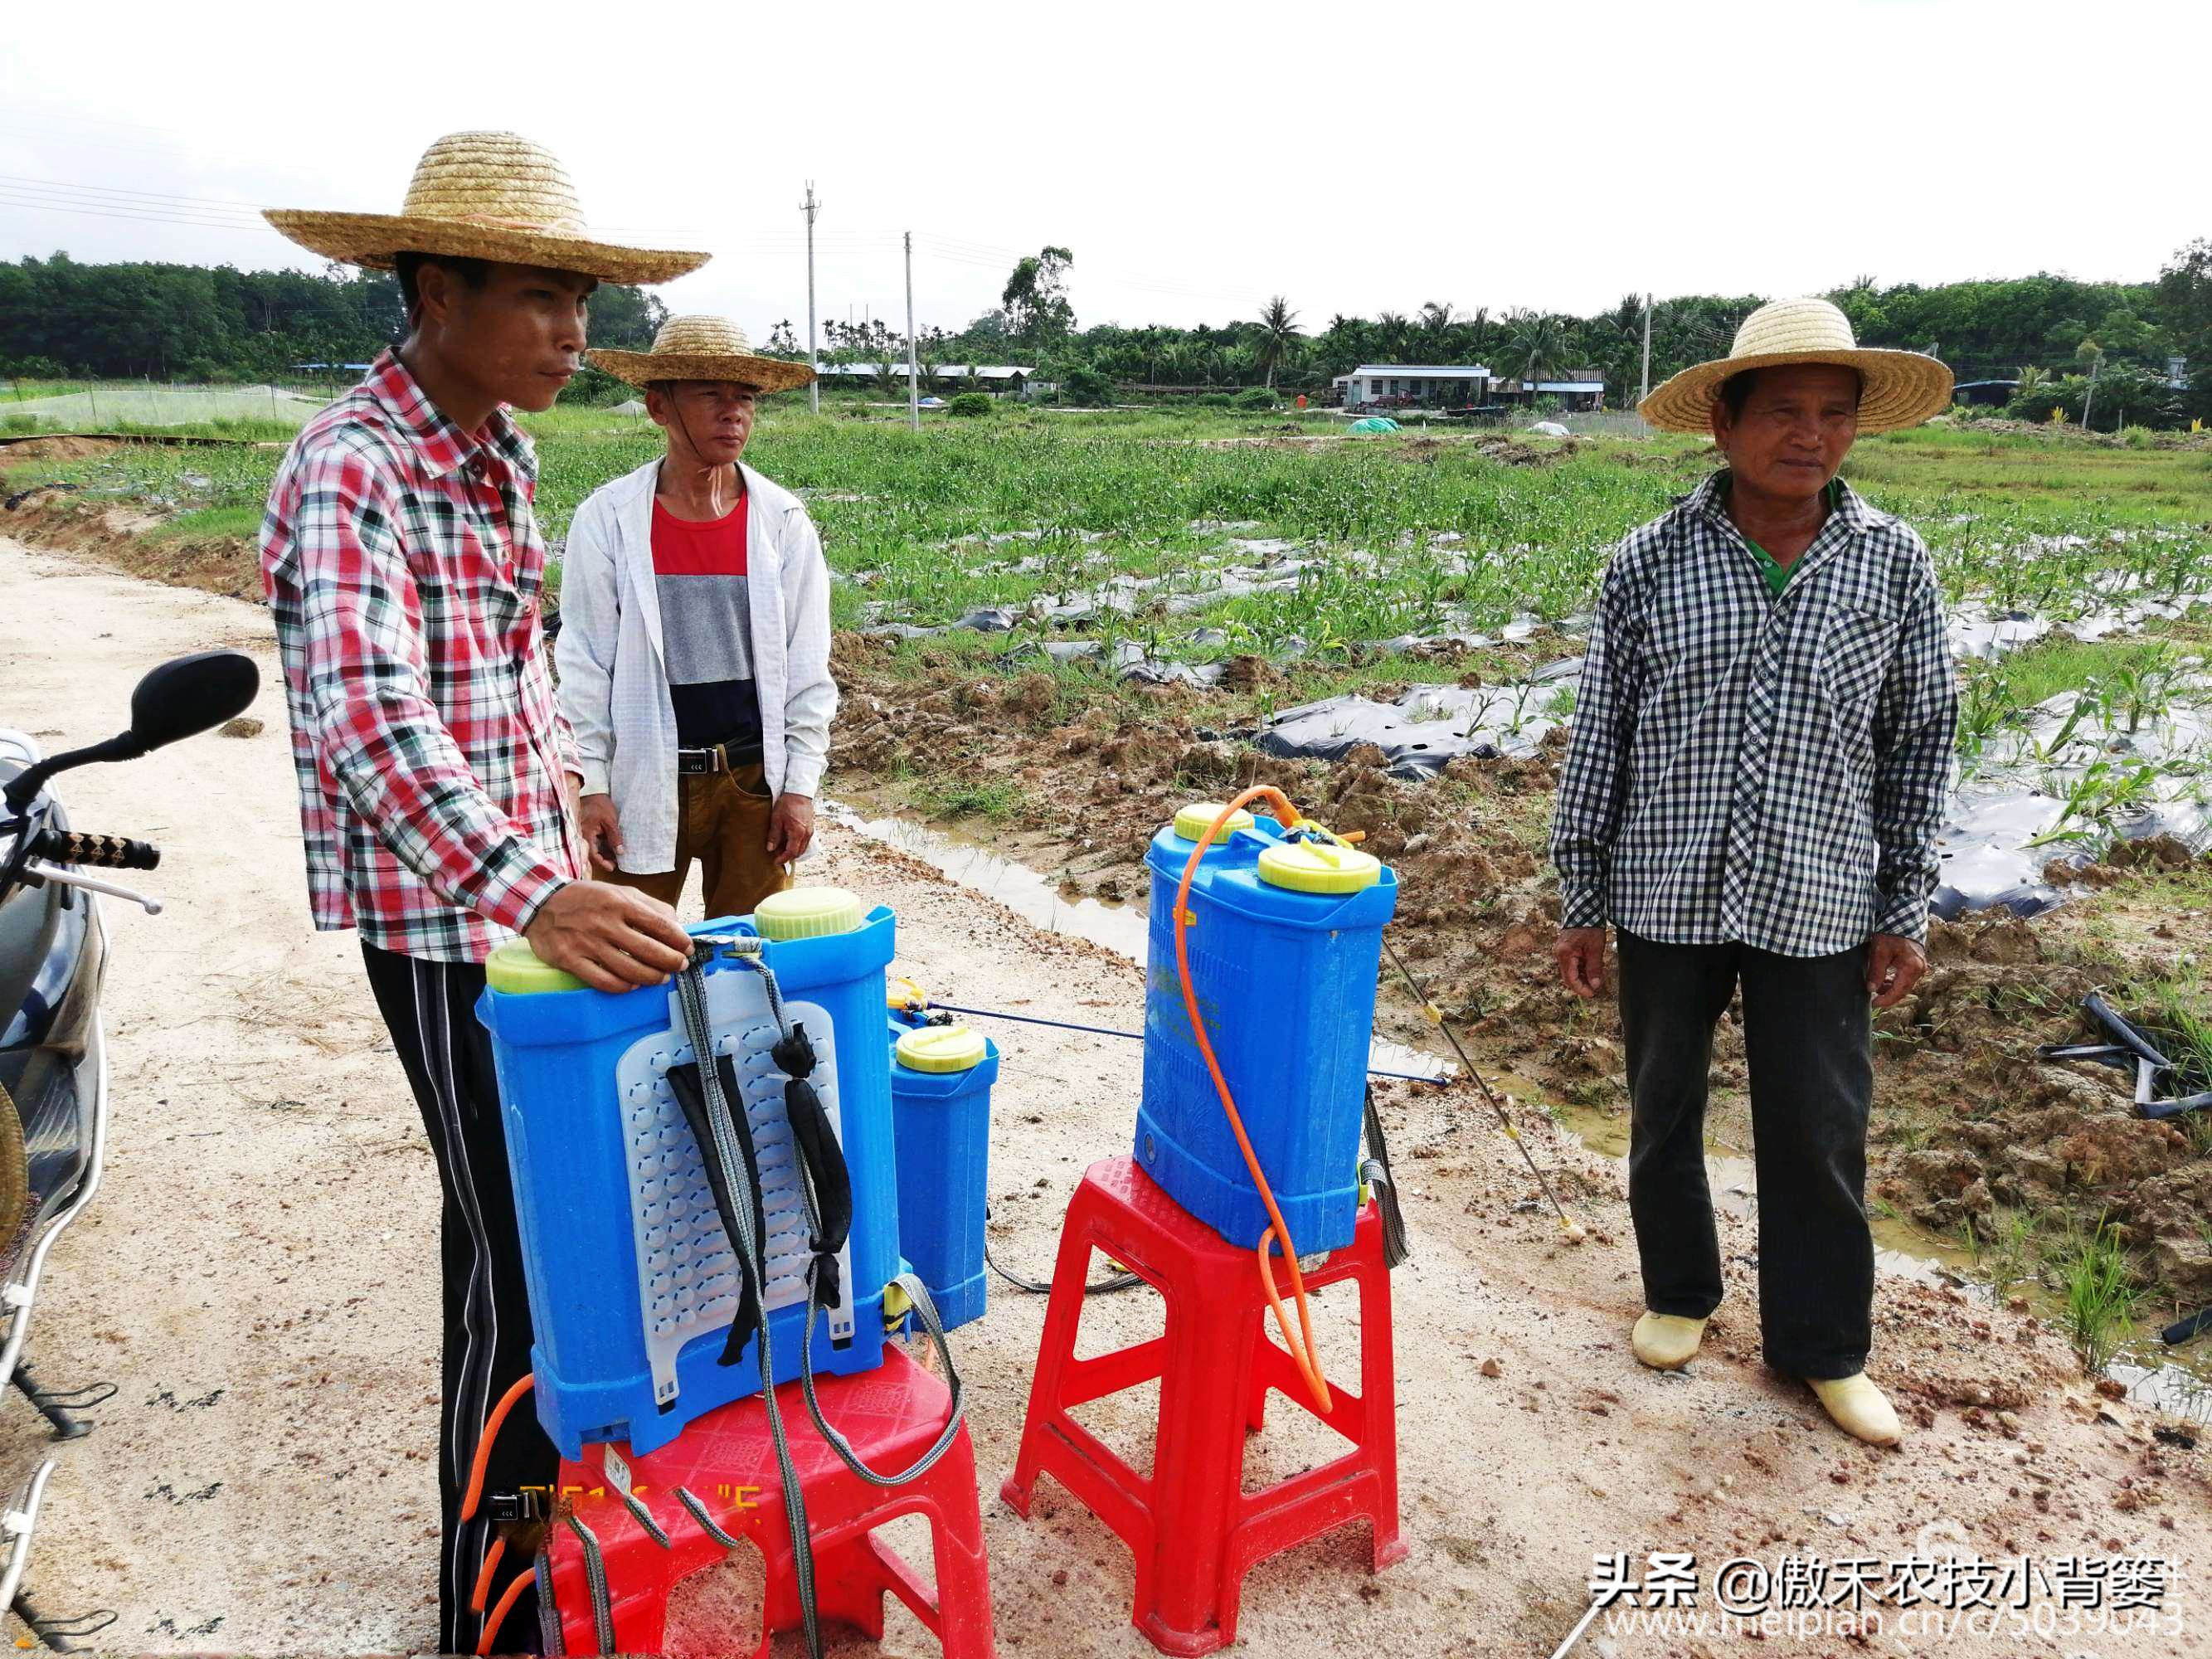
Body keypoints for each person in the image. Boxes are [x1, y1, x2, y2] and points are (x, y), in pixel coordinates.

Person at [258, 131, 708, 1653]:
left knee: (533, 1243)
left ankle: (537, 1550)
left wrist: (570, 840)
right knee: (519, 1283)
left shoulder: (498, 455)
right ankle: (495, 1613)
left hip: (524, 895)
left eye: (583, 295)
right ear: (434, 291)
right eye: (539, 295)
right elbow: (365, 719)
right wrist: (538, 897)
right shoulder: (351, 467)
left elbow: (505, 681)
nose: (575, 330)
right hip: (455, 928)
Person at [1548, 297, 1958, 1447]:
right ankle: (1678, 1293)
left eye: (1834, 414)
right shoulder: (1647, 561)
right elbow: (1603, 734)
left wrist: (1903, 905)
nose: (1809, 435)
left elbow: (1920, 737)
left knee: (1817, 1125)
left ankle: (1822, 1349)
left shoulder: (1889, 563)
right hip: (1663, 888)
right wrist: (1581, 895)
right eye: (1781, 412)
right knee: (1660, 1103)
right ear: (1721, 426)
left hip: (1819, 894)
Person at [555, 315, 833, 919]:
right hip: (646, 776)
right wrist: (592, 786)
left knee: (749, 959)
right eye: (711, 394)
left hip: (752, 781)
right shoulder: (608, 519)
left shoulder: (781, 521)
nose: (732, 412)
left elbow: (809, 666)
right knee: (630, 952)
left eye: (745, 397)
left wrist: (800, 788)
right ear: (659, 406)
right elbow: (583, 659)